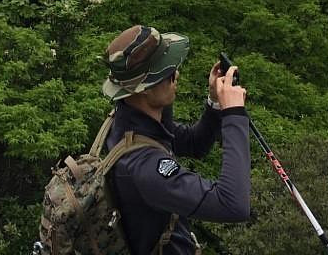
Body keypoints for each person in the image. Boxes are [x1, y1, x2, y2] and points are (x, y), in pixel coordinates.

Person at [101, 25, 251, 255]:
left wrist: (215, 103)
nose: (177, 76)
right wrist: (234, 114)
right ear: (145, 89)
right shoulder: (143, 166)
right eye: (169, 72)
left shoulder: (130, 122)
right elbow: (233, 205)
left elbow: (194, 144)